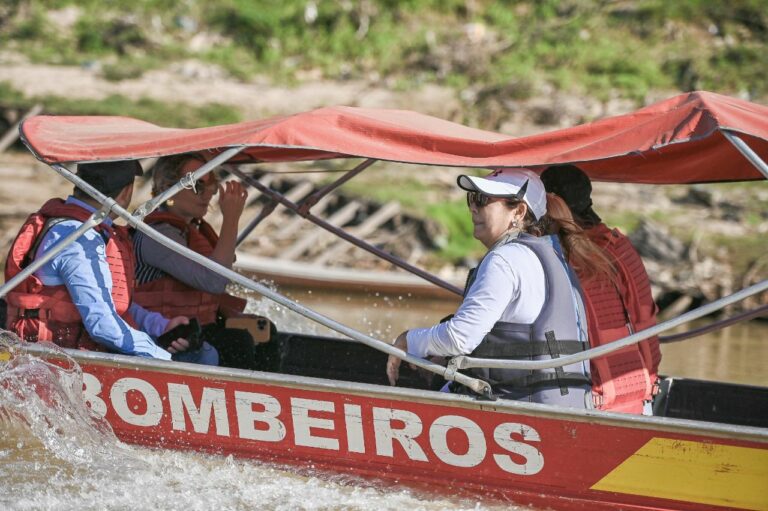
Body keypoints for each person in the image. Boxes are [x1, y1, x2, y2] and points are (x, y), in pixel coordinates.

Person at [386, 169, 614, 408]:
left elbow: (459, 338)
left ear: (519, 211)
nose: (473, 208)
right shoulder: (554, 255)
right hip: (565, 405)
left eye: (483, 200)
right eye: (472, 198)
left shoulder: (505, 260)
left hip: (521, 408)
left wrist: (407, 340)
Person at [3, 160, 218, 365]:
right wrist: (163, 358)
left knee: (205, 352)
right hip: (60, 358)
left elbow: (111, 304)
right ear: (126, 193)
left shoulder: (88, 230)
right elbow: (101, 325)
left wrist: (161, 326)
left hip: (81, 351)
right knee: (205, 358)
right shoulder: (79, 238)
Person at [541, 164, 661, 414]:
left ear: (549, 204)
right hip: (641, 392)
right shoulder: (620, 246)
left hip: (599, 400)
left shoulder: (570, 261)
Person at [132, 153, 260, 370]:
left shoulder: (191, 230)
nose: (208, 193)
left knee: (263, 332)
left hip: (198, 327)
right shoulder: (157, 235)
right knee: (238, 343)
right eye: (197, 185)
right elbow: (214, 282)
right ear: (168, 188)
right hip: (166, 333)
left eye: (212, 185)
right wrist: (231, 218)